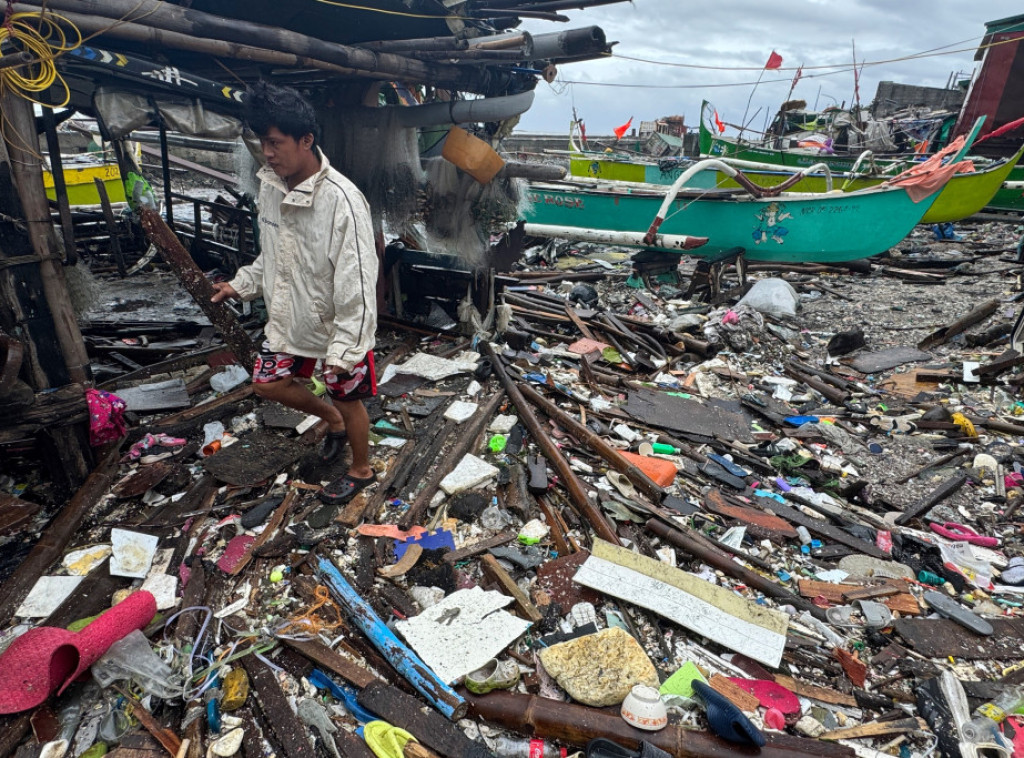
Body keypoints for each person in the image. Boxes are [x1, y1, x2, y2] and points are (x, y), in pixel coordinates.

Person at [211, 82, 378, 505]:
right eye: (261, 142)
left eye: (275, 142)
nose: (267, 152)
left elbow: (358, 280)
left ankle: (361, 470)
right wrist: (243, 284)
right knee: (267, 384)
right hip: (289, 313)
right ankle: (331, 419)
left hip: (336, 320)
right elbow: (273, 254)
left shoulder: (343, 200)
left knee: (350, 394)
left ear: (306, 140)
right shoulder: (270, 186)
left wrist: (346, 348)